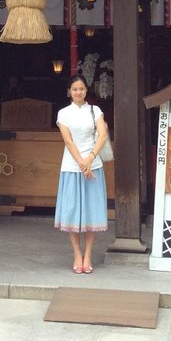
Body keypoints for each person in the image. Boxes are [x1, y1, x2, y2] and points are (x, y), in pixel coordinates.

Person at [54, 75, 109, 274]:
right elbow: (68, 141)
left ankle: (88, 254)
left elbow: (102, 136)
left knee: (91, 211)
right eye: (75, 89)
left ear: (87, 90)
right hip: (71, 166)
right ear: (69, 91)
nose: (79, 92)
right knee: (73, 211)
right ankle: (77, 254)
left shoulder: (95, 111)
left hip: (93, 166)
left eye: (82, 89)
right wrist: (81, 162)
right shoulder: (63, 113)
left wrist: (89, 159)